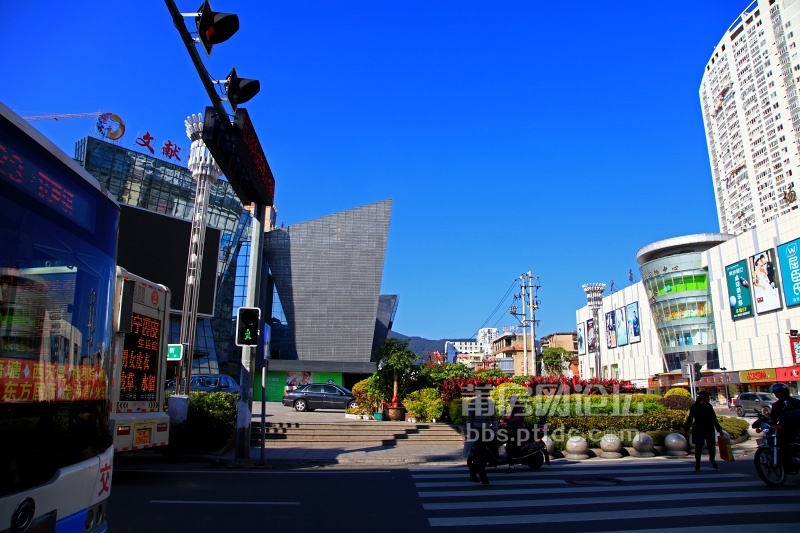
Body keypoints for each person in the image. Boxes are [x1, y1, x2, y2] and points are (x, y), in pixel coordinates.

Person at [684, 390, 724, 472]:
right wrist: (686, 430)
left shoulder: (709, 406)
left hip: (709, 429)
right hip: (698, 429)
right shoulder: (694, 407)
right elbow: (690, 419)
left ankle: (712, 459)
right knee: (698, 448)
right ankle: (698, 464)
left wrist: (719, 430)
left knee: (711, 447)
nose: (709, 399)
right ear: (703, 398)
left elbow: (714, 419)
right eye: (707, 397)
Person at [466, 391, 497, 485]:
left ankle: (473, 474)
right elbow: (469, 418)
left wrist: (495, 429)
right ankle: (484, 478)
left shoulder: (490, 403)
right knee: (480, 454)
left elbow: (494, 417)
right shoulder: (474, 403)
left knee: (481, 454)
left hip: (486, 431)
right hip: (476, 431)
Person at [766, 383, 800, 448]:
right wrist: (762, 421)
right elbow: (772, 416)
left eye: (778, 393)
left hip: (795, 428)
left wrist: (787, 417)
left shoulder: (796, 402)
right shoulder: (776, 405)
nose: (777, 395)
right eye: (775, 393)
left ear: (784, 392)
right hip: (783, 429)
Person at [500, 395, 527, 472]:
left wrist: (507, 421)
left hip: (519, 433)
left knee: (510, 446)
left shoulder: (519, 410)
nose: (510, 404)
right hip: (513, 431)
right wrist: (503, 420)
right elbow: (508, 418)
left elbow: (515, 420)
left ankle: (511, 465)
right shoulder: (513, 410)